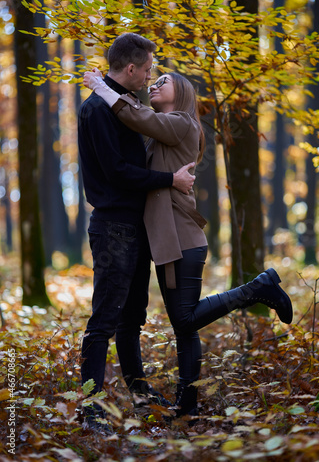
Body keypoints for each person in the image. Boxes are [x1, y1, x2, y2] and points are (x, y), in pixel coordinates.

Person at [83, 67, 293, 420]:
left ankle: (258, 288)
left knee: (184, 317)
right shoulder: (161, 134)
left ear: (181, 93)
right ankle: (187, 405)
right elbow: (138, 135)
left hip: (182, 238)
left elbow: (135, 115)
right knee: (185, 325)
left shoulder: (182, 123)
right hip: (167, 239)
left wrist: (102, 87)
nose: (154, 83)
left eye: (162, 80)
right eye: (153, 79)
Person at [78, 33, 197, 433]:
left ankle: (141, 395)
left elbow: (145, 126)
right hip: (113, 227)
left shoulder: (125, 106)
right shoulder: (98, 109)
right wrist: (170, 180)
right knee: (104, 320)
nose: (150, 77)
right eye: (147, 70)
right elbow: (117, 172)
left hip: (135, 225)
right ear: (131, 69)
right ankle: (91, 408)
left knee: (132, 319)